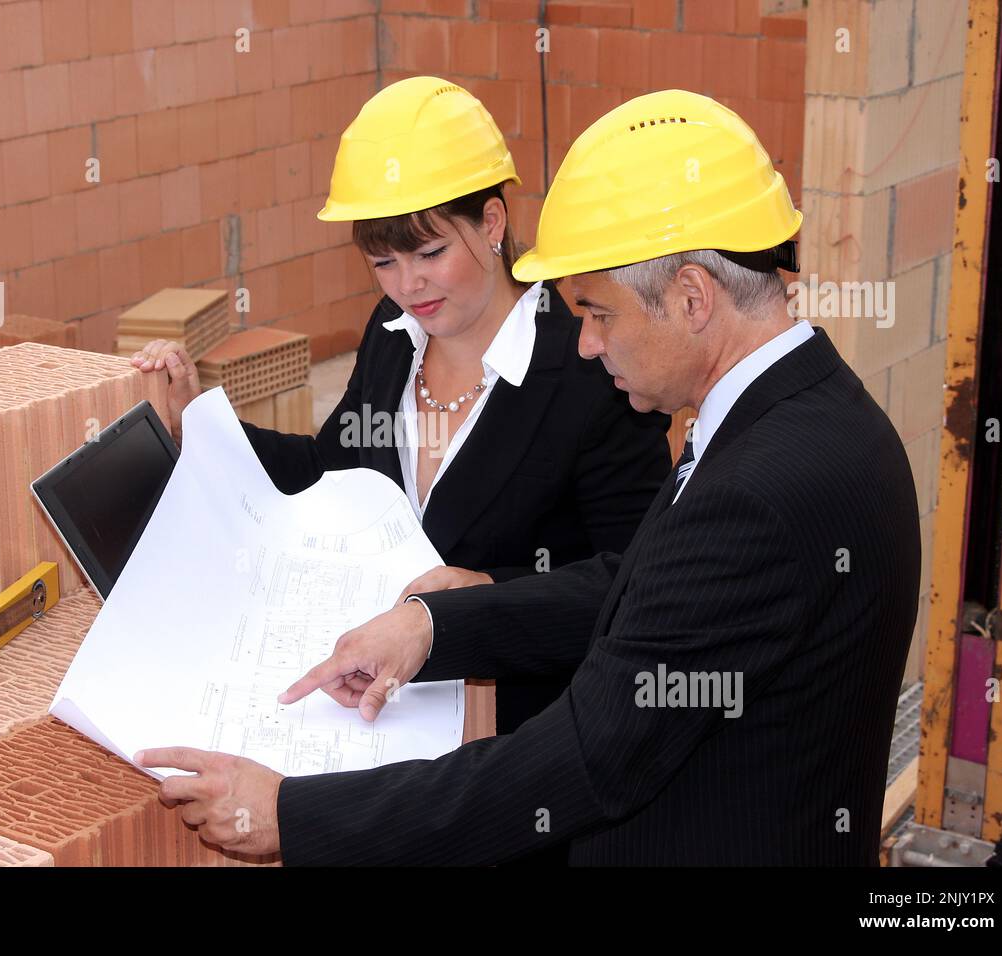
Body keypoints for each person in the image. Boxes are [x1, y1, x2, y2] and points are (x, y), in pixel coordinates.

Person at [134, 89, 923, 865]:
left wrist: (298, 814)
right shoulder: (792, 415)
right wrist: (436, 626)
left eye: (600, 314)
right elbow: (633, 602)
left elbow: (586, 755)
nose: (584, 343)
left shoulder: (764, 488)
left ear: (691, 297)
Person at [132, 76, 671, 743]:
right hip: (381, 714)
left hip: (521, 737)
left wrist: (487, 589)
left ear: (493, 223)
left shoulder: (592, 371)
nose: (408, 285)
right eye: (383, 261)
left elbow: (639, 581)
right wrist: (200, 426)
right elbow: (328, 473)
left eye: (431, 253)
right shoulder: (392, 337)